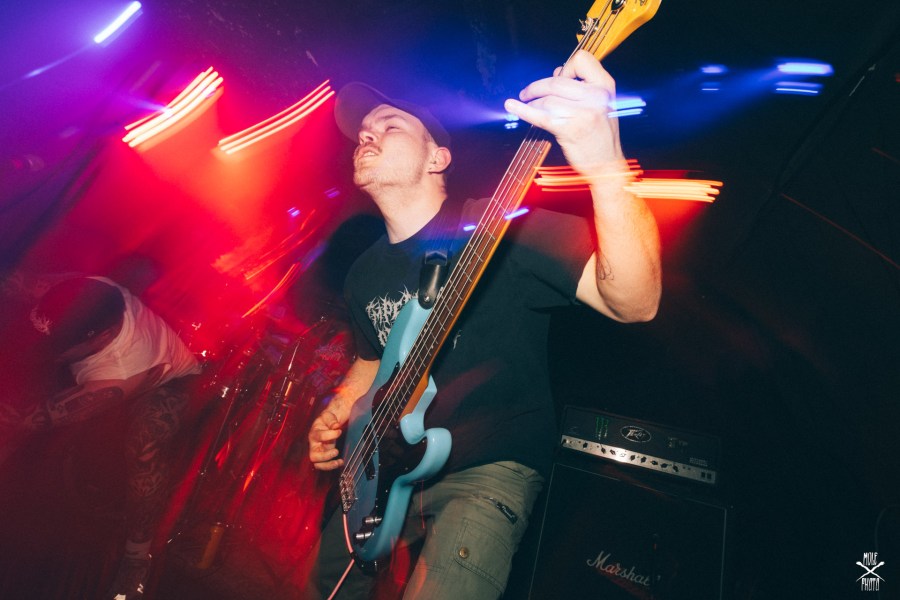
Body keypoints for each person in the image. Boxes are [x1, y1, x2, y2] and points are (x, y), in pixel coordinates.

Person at [306, 49, 661, 599]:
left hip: (487, 470)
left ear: (437, 157)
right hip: (381, 472)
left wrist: (605, 164)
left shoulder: (500, 227)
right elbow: (371, 362)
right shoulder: (363, 273)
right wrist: (339, 410)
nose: (367, 136)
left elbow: (635, 301)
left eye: (389, 125)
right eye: (362, 133)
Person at [0, 274, 201, 599]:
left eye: (62, 344)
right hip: (97, 364)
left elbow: (35, 418)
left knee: (146, 446)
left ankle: (137, 556)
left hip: (165, 382)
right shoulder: (89, 288)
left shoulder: (121, 373)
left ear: (103, 336)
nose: (55, 349)